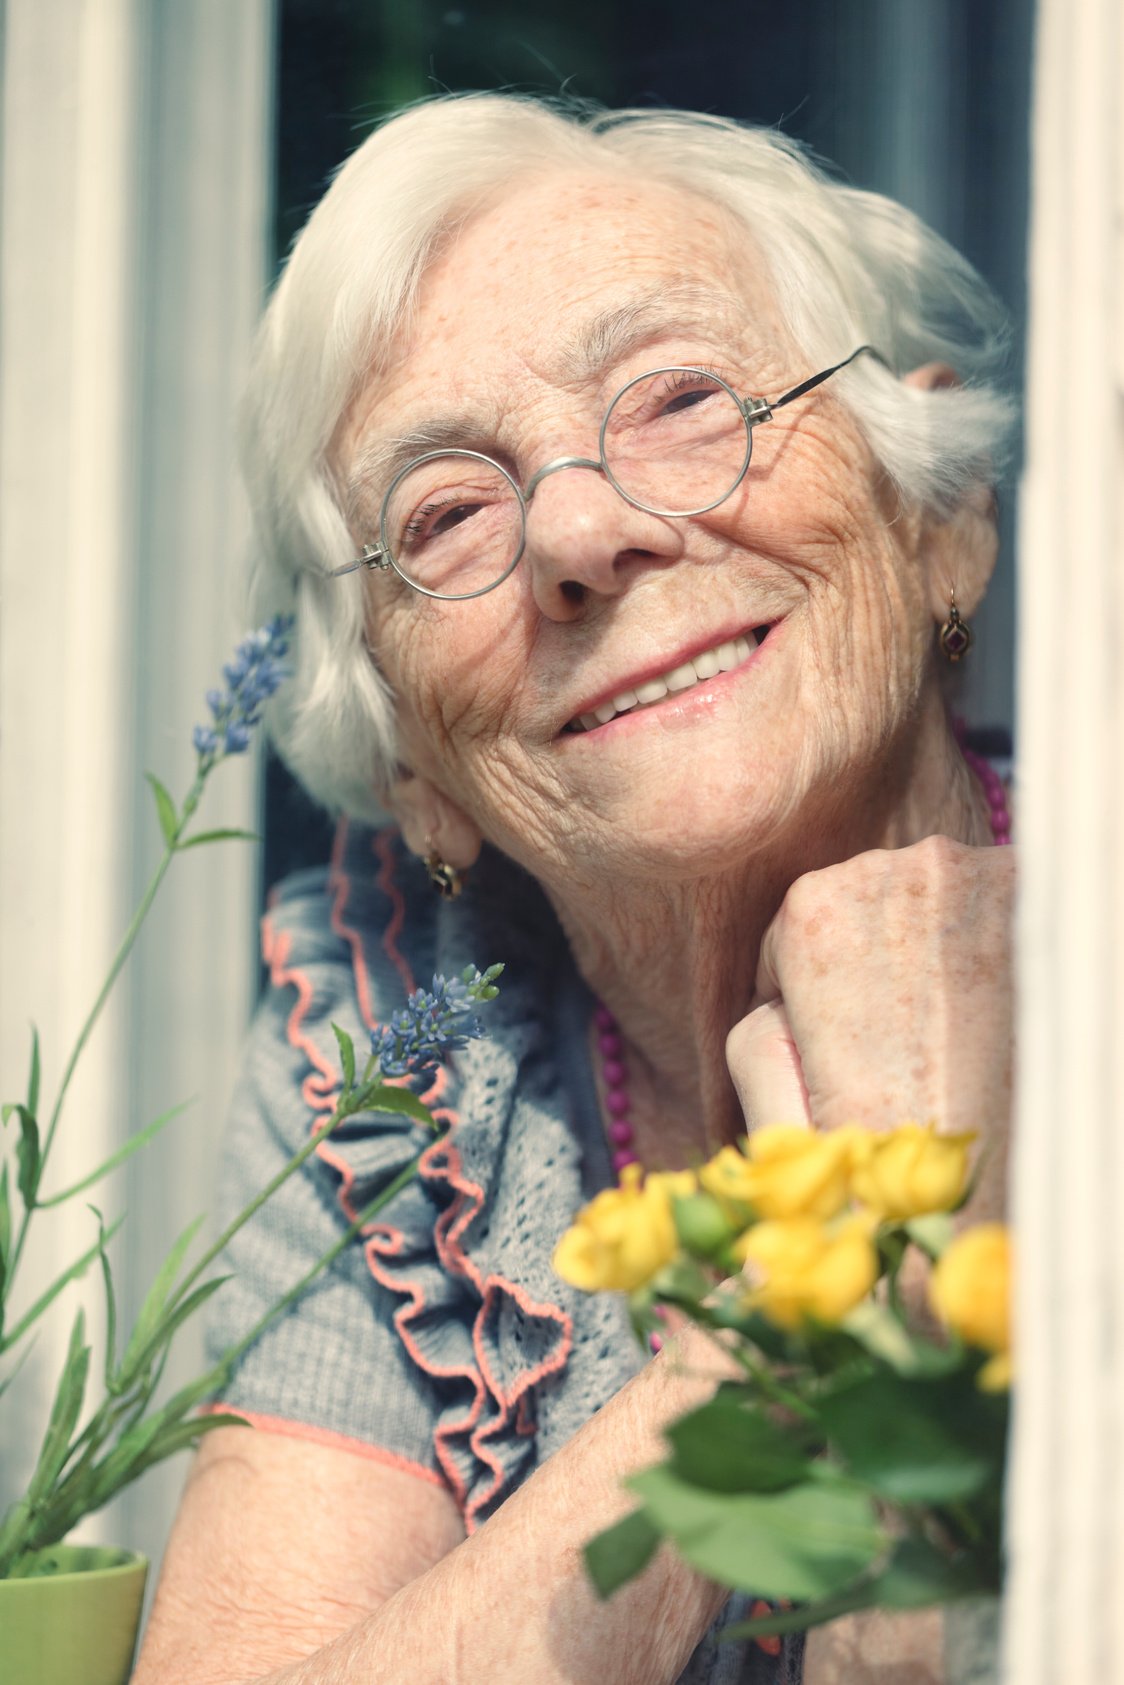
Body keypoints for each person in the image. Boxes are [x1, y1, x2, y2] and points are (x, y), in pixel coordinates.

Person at [133, 93, 1016, 1685]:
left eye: (683, 397)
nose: (581, 532)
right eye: (448, 514)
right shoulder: (401, 1064)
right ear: (416, 767)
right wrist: (792, 1288)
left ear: (940, 523)